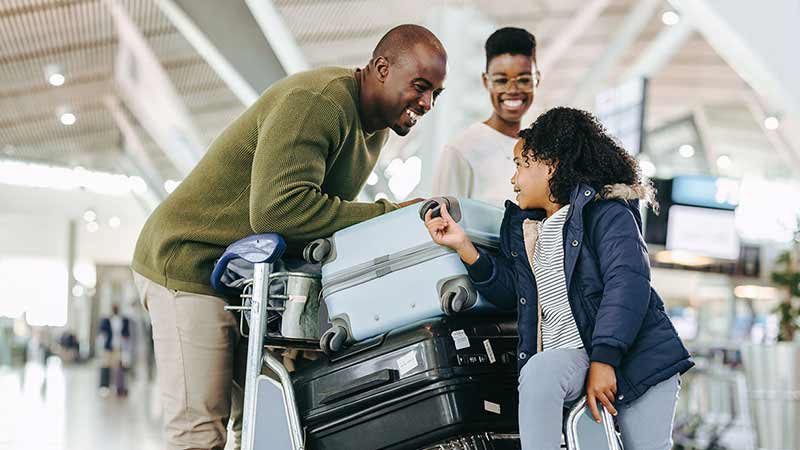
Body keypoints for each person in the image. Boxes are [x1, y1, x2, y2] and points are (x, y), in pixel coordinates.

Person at [131, 24, 447, 450]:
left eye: (435, 94)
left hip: (246, 279)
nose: (426, 103)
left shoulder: (376, 128)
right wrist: (390, 215)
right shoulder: (319, 102)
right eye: (421, 86)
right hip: (190, 262)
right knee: (199, 434)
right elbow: (279, 210)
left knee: (263, 423)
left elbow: (320, 220)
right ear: (382, 68)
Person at [424, 107, 694, 450]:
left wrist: (604, 360)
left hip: (638, 363)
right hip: (575, 357)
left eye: (521, 165)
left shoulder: (606, 213)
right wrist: (463, 245)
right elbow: (515, 295)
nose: (514, 179)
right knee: (540, 372)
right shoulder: (529, 230)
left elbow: (627, 283)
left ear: (551, 166)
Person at [432, 27, 539, 207]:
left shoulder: (541, 149)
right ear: (485, 81)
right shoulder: (461, 150)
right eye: (501, 80)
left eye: (524, 80)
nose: (512, 90)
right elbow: (441, 224)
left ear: (537, 79)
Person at [97, 304, 131, 397]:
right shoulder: (106, 320)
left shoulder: (124, 320)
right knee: (105, 366)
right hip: (108, 347)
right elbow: (102, 333)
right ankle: (104, 386)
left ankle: (120, 388)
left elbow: (127, 333)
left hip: (119, 347)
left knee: (120, 368)